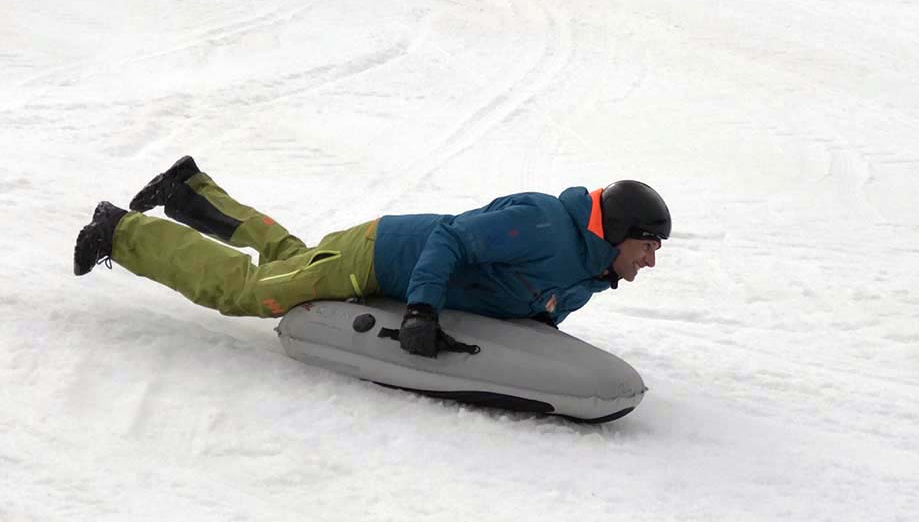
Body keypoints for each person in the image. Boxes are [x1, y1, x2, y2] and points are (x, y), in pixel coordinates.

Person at [73, 157, 671, 359]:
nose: (649, 262)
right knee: (252, 290)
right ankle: (120, 232)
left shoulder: (589, 275)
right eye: (647, 246)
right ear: (618, 232)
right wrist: (419, 313)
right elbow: (452, 241)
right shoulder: (543, 225)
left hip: (376, 256)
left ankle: (188, 191)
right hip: (378, 257)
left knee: (295, 257)